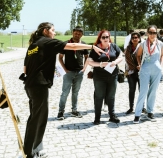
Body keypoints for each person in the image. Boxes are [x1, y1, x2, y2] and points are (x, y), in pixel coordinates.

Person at [21, 22, 103, 158]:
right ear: (46, 31)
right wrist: (92, 46)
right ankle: (28, 153)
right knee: (36, 119)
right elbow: (73, 46)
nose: (55, 33)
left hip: (31, 85)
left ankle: (36, 148)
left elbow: (25, 69)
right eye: (53, 30)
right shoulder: (47, 42)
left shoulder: (33, 45)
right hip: (39, 86)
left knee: (40, 117)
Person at [88, 30, 124, 125]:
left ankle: (112, 116)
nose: (105, 39)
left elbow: (121, 56)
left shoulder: (113, 46)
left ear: (109, 37)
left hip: (113, 76)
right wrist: (100, 64)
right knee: (99, 96)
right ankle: (97, 118)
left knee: (111, 96)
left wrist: (115, 62)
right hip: (99, 77)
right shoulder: (96, 49)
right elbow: (89, 61)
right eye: (103, 37)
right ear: (100, 38)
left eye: (107, 37)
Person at [56, 27, 89, 120]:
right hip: (68, 72)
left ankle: (74, 110)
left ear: (82, 35)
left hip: (79, 72)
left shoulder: (83, 44)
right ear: (72, 33)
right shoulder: (66, 44)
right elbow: (60, 57)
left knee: (75, 92)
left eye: (79, 33)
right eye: (76, 33)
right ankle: (60, 112)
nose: (77, 35)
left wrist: (84, 68)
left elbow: (87, 57)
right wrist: (65, 69)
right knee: (65, 92)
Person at [133, 25, 163, 123]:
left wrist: (161, 65)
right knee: (143, 91)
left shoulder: (160, 44)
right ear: (147, 33)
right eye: (150, 32)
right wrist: (139, 65)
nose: (152, 34)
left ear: (156, 33)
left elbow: (162, 55)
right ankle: (137, 114)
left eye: (154, 33)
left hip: (156, 68)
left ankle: (150, 112)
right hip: (145, 68)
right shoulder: (142, 44)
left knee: (153, 91)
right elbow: (138, 55)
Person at [124, 31, 144, 114]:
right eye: (133, 38)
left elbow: (144, 58)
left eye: (136, 37)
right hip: (131, 72)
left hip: (141, 71)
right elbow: (127, 60)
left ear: (139, 39)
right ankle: (131, 107)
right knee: (132, 90)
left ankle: (142, 107)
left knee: (142, 90)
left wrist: (141, 66)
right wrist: (135, 67)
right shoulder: (128, 48)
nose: (135, 39)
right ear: (131, 39)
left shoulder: (142, 47)